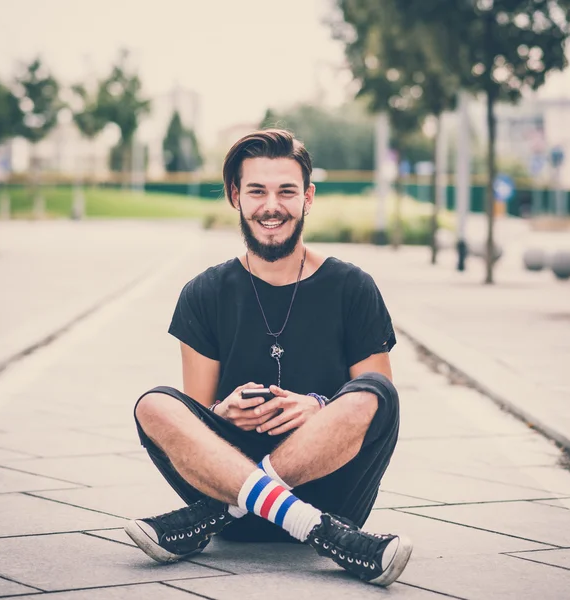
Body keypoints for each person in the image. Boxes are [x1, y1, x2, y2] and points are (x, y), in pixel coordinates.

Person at [125, 129, 412, 587]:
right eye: (257, 190)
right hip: (244, 486)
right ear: (236, 196)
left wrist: (319, 406)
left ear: (308, 198)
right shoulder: (204, 293)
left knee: (376, 392)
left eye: (286, 191)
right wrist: (223, 411)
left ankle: (216, 514)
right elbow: (196, 418)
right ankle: (316, 531)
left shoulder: (352, 287)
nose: (271, 205)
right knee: (154, 405)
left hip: (330, 493)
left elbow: (376, 408)